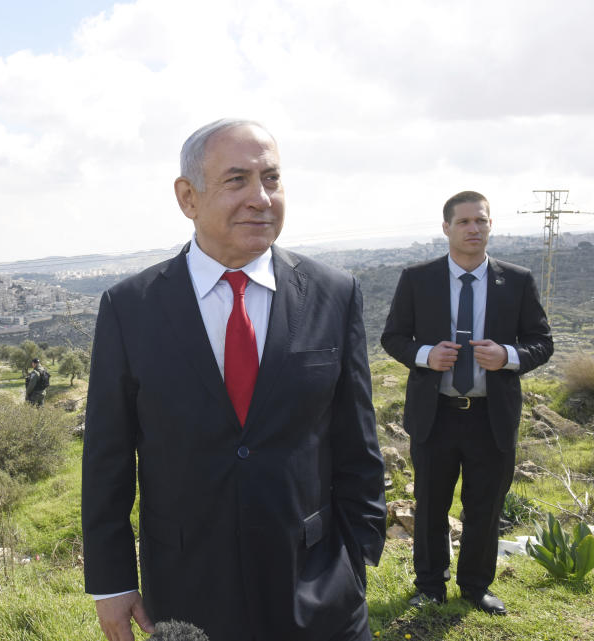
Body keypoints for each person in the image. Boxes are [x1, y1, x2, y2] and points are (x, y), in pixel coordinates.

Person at [81, 119, 387, 641]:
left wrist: (358, 554)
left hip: (317, 586)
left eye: (271, 178)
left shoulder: (333, 294)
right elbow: (108, 456)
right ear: (187, 197)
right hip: (186, 590)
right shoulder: (130, 308)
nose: (260, 198)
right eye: (236, 180)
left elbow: (355, 438)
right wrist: (111, 584)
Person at [381, 191, 553, 615]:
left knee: (485, 507)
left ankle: (476, 588)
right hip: (434, 416)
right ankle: (430, 587)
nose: (474, 229)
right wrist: (425, 356)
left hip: (491, 419)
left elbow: (542, 342)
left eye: (481, 221)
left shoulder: (517, 280)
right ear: (446, 228)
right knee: (431, 507)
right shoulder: (417, 278)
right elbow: (393, 337)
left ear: (490, 225)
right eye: (464, 222)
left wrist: (508, 357)